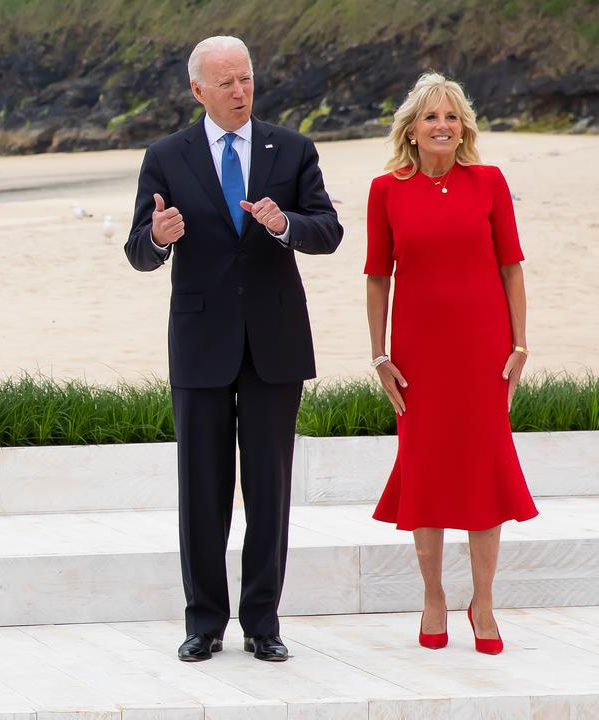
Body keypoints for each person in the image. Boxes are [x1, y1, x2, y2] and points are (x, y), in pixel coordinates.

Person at [125, 36, 342, 662]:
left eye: (245, 78)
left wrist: (284, 225)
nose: (239, 92)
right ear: (197, 90)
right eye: (225, 82)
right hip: (200, 342)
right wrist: (158, 237)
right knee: (202, 488)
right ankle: (204, 622)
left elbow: (327, 231)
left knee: (269, 488)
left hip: (274, 340)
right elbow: (139, 250)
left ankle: (263, 623)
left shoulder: (293, 149)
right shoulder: (166, 156)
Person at [365, 72, 537, 655]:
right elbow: (377, 276)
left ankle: (482, 602)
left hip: (484, 350)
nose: (443, 126)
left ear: (464, 126)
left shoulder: (488, 182)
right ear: (410, 130)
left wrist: (518, 344)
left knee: (485, 472)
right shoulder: (385, 190)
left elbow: (512, 266)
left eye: (452, 116)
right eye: (431, 117)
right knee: (427, 468)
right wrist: (380, 354)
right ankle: (434, 596)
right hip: (418, 355)